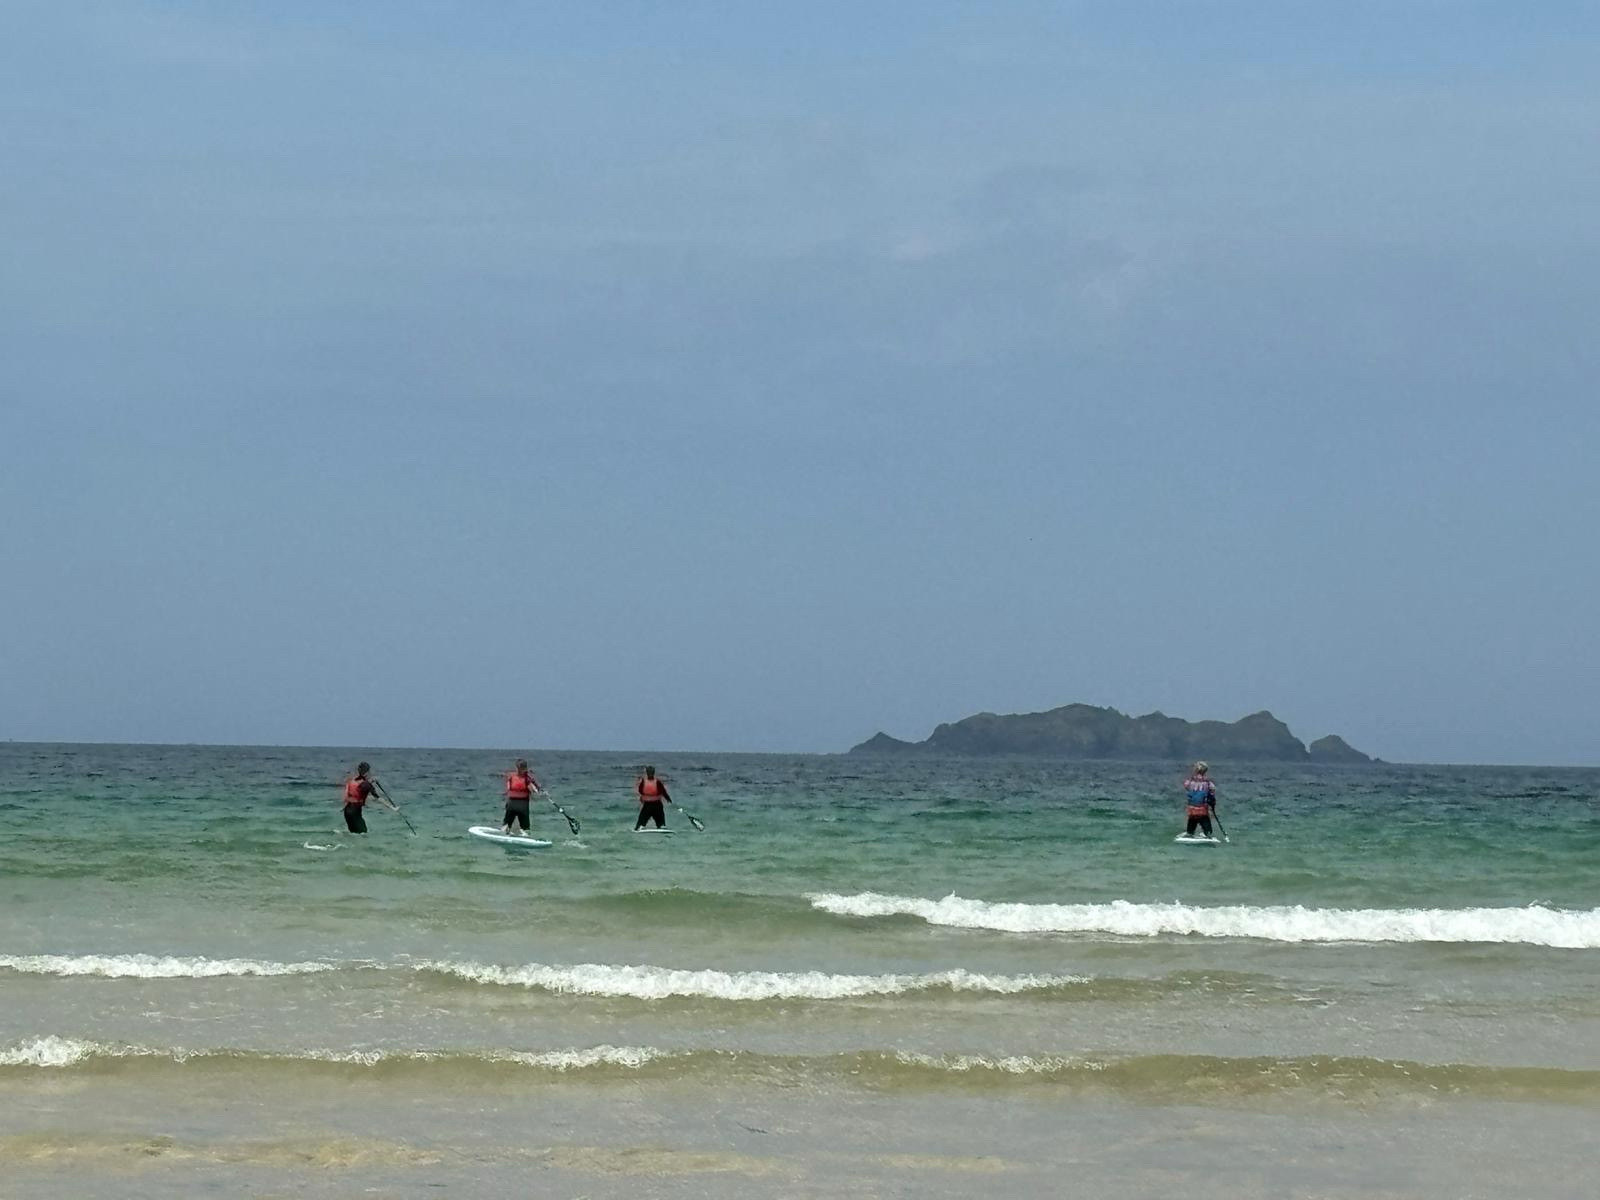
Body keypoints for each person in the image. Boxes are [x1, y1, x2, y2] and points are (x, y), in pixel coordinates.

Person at [341, 762, 394, 834]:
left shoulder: (352, 781)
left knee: (353, 833)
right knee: (363, 834)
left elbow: (357, 788)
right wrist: (392, 807)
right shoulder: (366, 784)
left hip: (347, 811)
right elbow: (378, 798)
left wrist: (370, 782)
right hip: (355, 811)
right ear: (367, 771)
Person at [502, 758, 542, 836]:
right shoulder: (527, 779)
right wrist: (537, 790)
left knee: (507, 823)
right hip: (519, 804)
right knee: (524, 827)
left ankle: (507, 831)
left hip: (513, 804)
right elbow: (533, 789)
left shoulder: (516, 777)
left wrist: (535, 790)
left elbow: (508, 788)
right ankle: (520, 833)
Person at [1182, 761, 1218, 838]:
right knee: (1204, 820)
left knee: (1192, 820)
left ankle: (1190, 832)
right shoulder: (1207, 782)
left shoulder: (1191, 781)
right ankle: (1207, 833)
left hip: (1192, 807)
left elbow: (1186, 785)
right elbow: (1213, 789)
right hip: (1202, 808)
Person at [634, 765, 672, 830]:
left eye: (650, 772)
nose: (650, 774)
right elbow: (663, 792)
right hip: (651, 805)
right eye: (649, 772)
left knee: (649, 817)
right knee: (644, 818)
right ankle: (660, 825)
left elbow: (640, 791)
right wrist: (668, 798)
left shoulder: (648, 782)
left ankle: (641, 826)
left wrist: (668, 798)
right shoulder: (656, 782)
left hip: (652, 805)